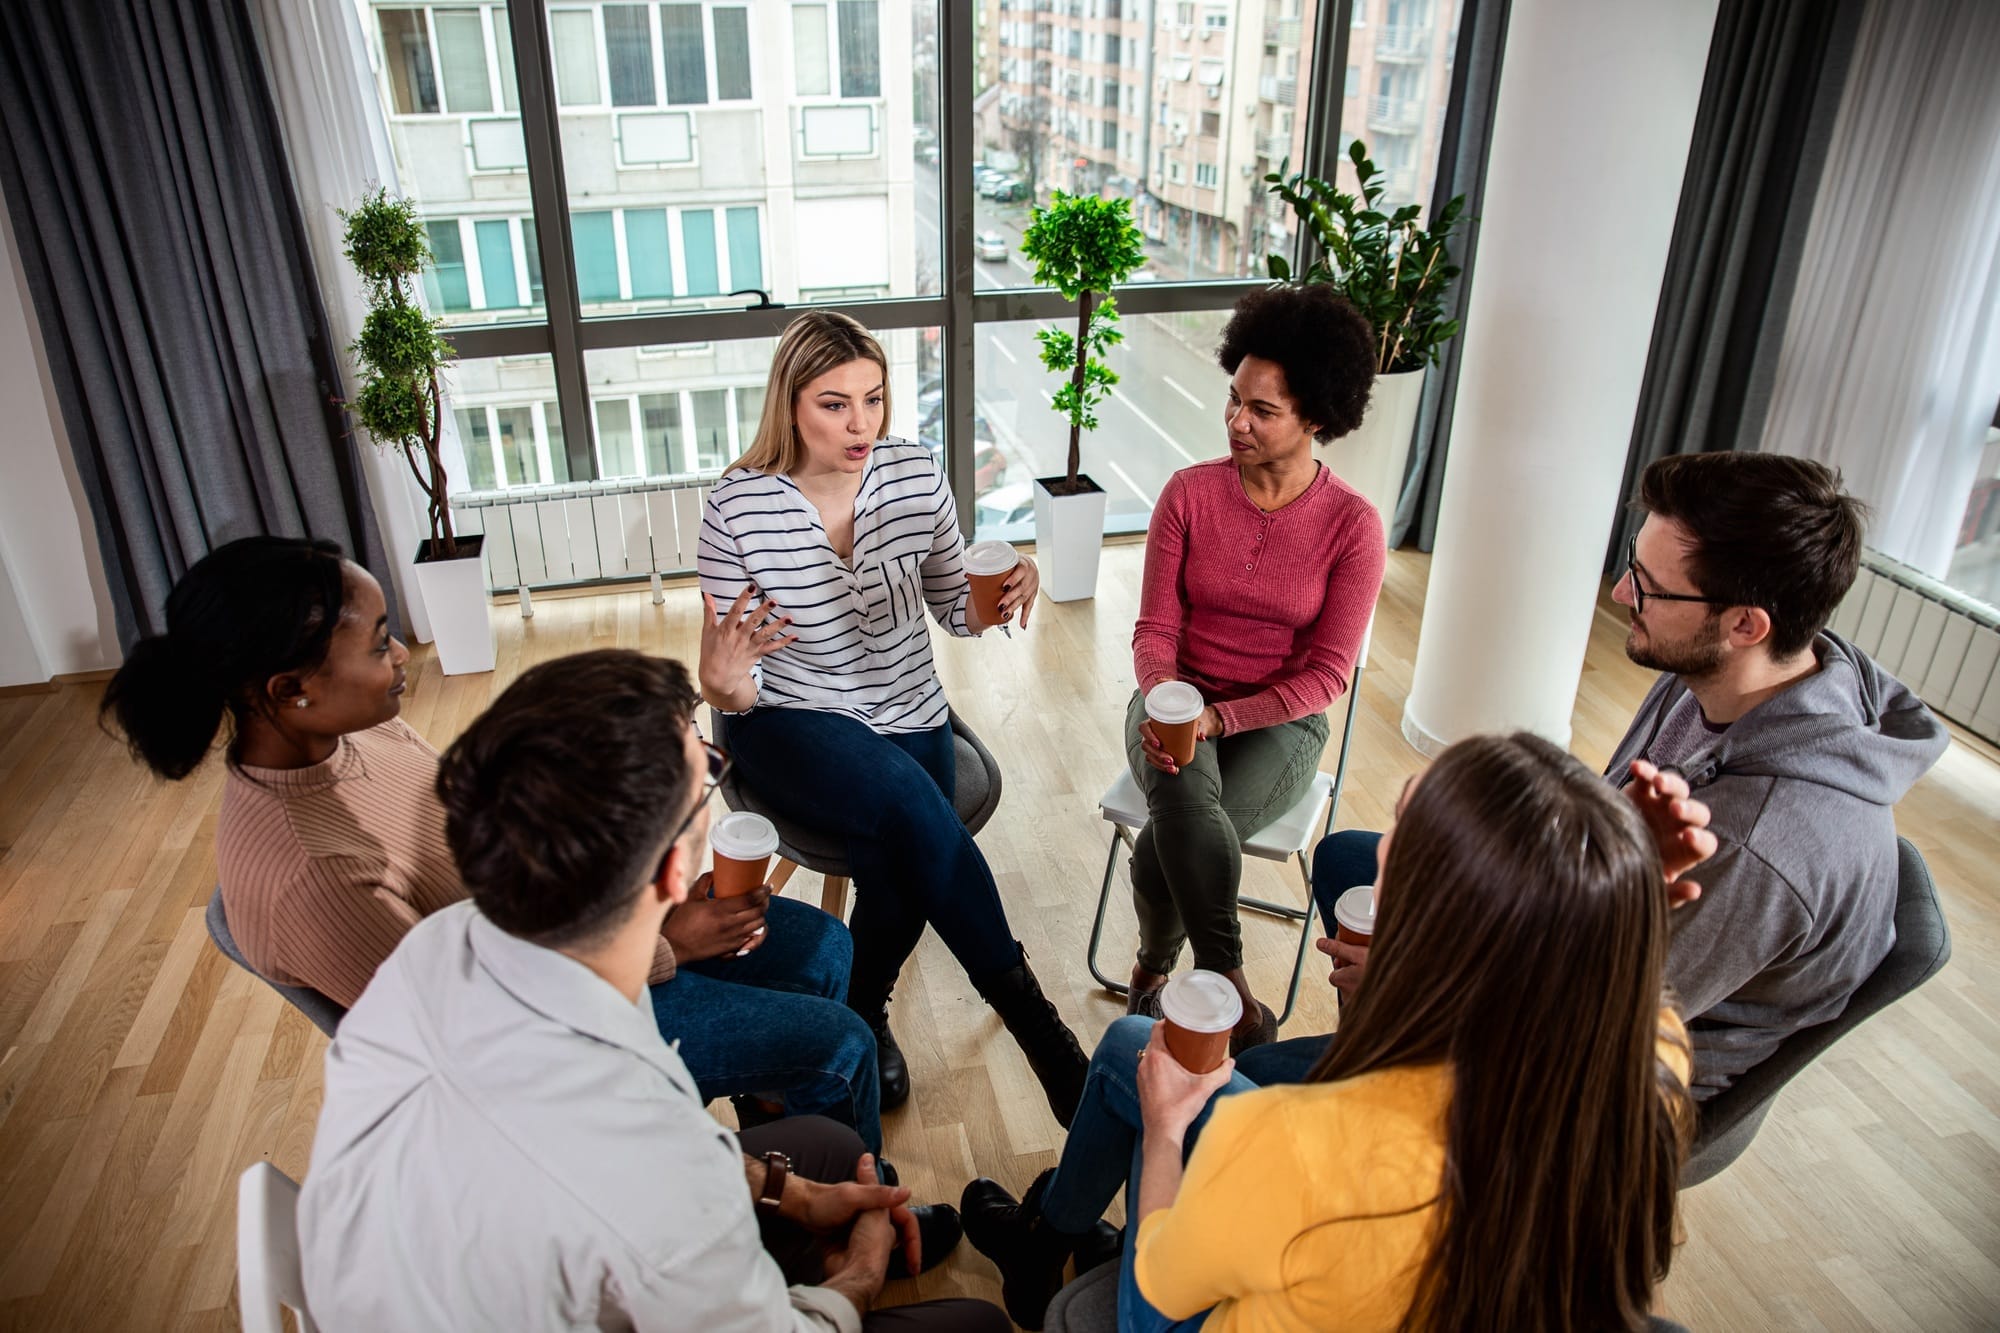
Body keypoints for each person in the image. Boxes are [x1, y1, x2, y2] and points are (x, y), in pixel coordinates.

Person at [100, 536, 884, 1149]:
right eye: (378, 644)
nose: (403, 654)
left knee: (822, 945)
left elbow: (494, 853)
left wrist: (637, 885)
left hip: (557, 941)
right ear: (287, 689)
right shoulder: (317, 875)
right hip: (554, 1043)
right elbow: (482, 1030)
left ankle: (777, 1141)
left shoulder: (347, 738)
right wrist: (658, 936)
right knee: (843, 1043)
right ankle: (856, 1217)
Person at [299, 650, 995, 1332]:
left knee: (821, 1139)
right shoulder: (650, 1166)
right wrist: (859, 1279)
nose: (713, 781)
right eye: (707, 778)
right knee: (981, 1322)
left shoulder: (438, 946)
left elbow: (665, 1149)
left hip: (425, 1280)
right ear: (672, 875)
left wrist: (793, 1194)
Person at [1262, 453, 1950, 1098]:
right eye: (1633, 564)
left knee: (1247, 1076)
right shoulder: (1727, 673)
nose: (1622, 591)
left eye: (1648, 585)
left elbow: (1581, 1028)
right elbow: (1597, 830)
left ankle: (1376, 1108)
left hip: (1580, 1082)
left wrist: (1413, 984)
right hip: (1576, 940)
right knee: (1354, 861)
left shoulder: (1757, 847)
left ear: (1745, 623)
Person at [961, 733, 1697, 1332]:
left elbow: (1154, 1292)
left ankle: (1046, 1239)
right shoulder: (1644, 1057)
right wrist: (1620, 880)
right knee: (1129, 1045)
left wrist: (1165, 1129)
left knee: (1138, 1065)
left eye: (1396, 859)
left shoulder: (1296, 1143)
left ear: (1433, 945)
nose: (1380, 852)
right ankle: (1045, 1239)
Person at [696, 310, 1087, 1123]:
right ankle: (1045, 1037)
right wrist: (722, 684)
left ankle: (863, 1012)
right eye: (835, 403)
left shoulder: (913, 474)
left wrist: (1009, 588)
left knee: (897, 848)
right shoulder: (737, 506)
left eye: (873, 399)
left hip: (907, 702)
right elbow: (732, 682)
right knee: (917, 809)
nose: (862, 422)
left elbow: (954, 606)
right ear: (790, 404)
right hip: (790, 716)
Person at [1121, 284, 1385, 1054]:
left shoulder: (1352, 526)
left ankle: (1152, 967)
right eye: (1234, 399)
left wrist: (1221, 718)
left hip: (1281, 720)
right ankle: (1228, 983)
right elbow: (1154, 626)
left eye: (1262, 411)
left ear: (1317, 417)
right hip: (1173, 696)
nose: (1237, 421)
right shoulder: (1189, 494)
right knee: (1183, 797)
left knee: (1169, 837)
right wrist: (1172, 701)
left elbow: (1329, 673)